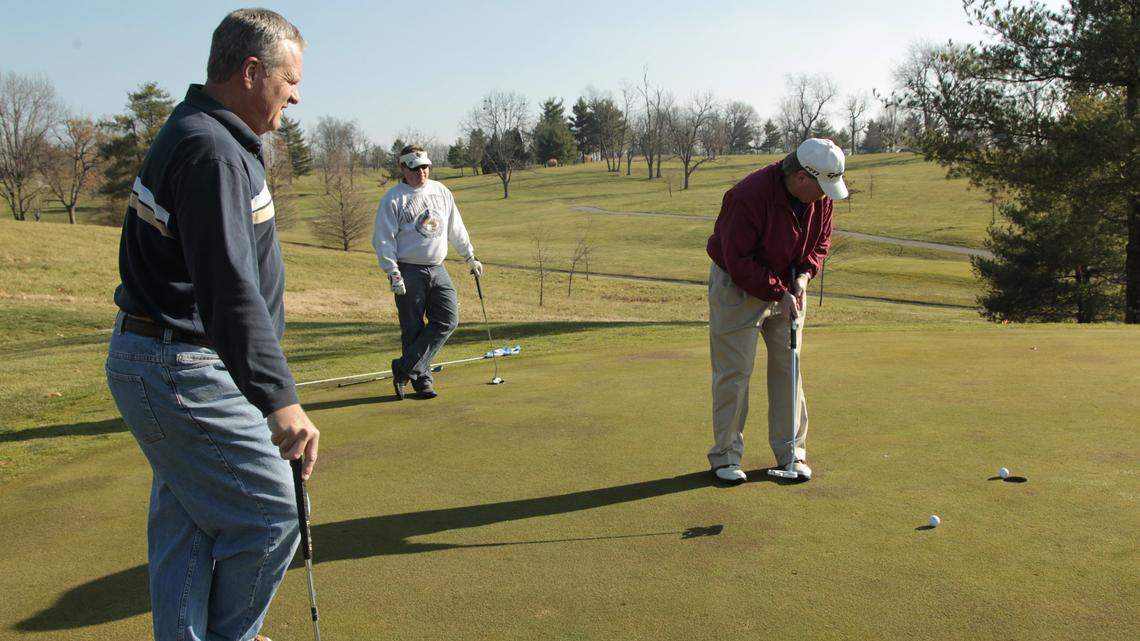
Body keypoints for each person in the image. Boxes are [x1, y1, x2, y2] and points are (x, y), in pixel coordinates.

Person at [103, 9, 318, 641]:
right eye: (290, 79)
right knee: (274, 513)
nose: (297, 95)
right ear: (252, 72)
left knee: (189, 526)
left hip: (168, 360)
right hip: (179, 366)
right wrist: (279, 400)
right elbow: (228, 289)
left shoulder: (207, 137)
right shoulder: (214, 151)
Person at [705, 138, 847, 485]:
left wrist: (803, 277)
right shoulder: (747, 196)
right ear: (800, 176)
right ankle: (725, 457)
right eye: (822, 188)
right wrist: (777, 292)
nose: (826, 196)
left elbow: (820, 243)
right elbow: (738, 260)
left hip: (788, 285)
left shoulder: (820, 199)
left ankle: (791, 452)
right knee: (735, 372)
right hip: (738, 286)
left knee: (789, 368)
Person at [372, 145, 482, 400]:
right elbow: (383, 239)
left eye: (425, 167)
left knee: (448, 319)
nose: (421, 172)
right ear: (403, 168)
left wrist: (470, 256)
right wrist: (393, 272)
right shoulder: (394, 198)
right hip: (408, 268)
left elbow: (456, 227)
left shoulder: (441, 191)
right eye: (415, 168)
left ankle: (404, 368)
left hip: (437, 267)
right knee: (412, 328)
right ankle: (422, 381)